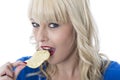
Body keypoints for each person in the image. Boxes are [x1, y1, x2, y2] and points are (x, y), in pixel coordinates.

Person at [0, 0, 120, 80]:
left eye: (53, 25)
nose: (40, 37)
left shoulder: (113, 74)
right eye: (35, 24)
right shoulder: (23, 72)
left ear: (78, 26)